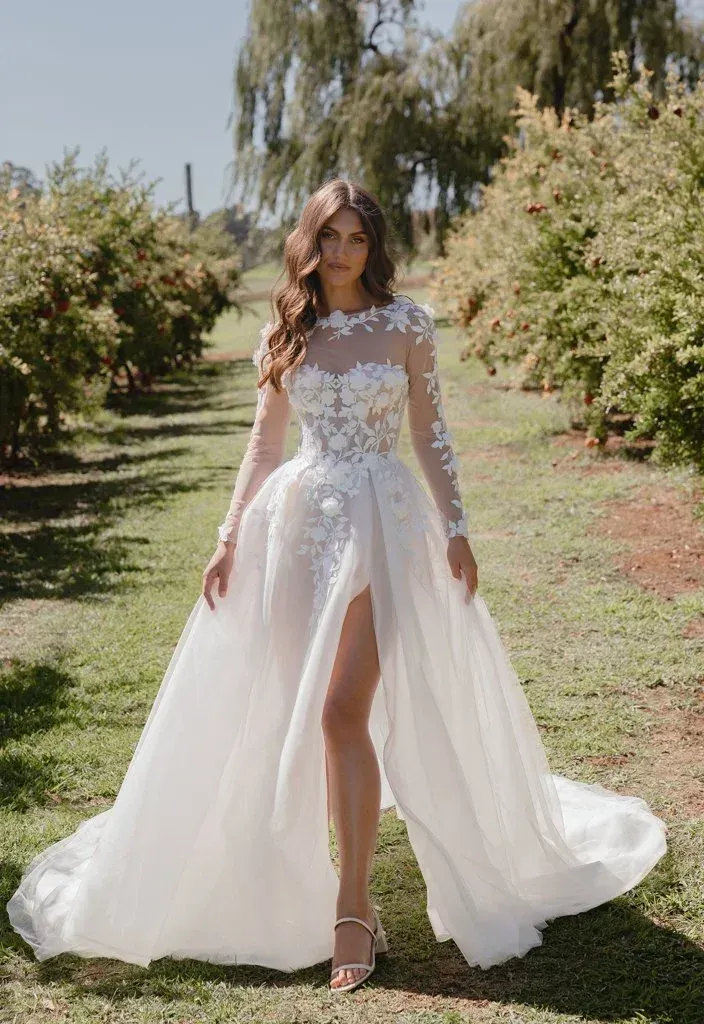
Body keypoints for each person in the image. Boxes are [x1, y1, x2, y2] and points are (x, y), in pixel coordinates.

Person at [7, 178, 667, 994]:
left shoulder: (407, 325)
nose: (344, 253)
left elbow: (431, 437)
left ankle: (351, 906)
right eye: (331, 238)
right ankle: (307, 870)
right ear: (309, 243)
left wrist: (458, 528)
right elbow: (263, 444)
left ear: (373, 246)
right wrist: (225, 540)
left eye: (357, 239)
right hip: (297, 526)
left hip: (383, 525)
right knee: (298, 708)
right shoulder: (285, 333)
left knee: (338, 709)